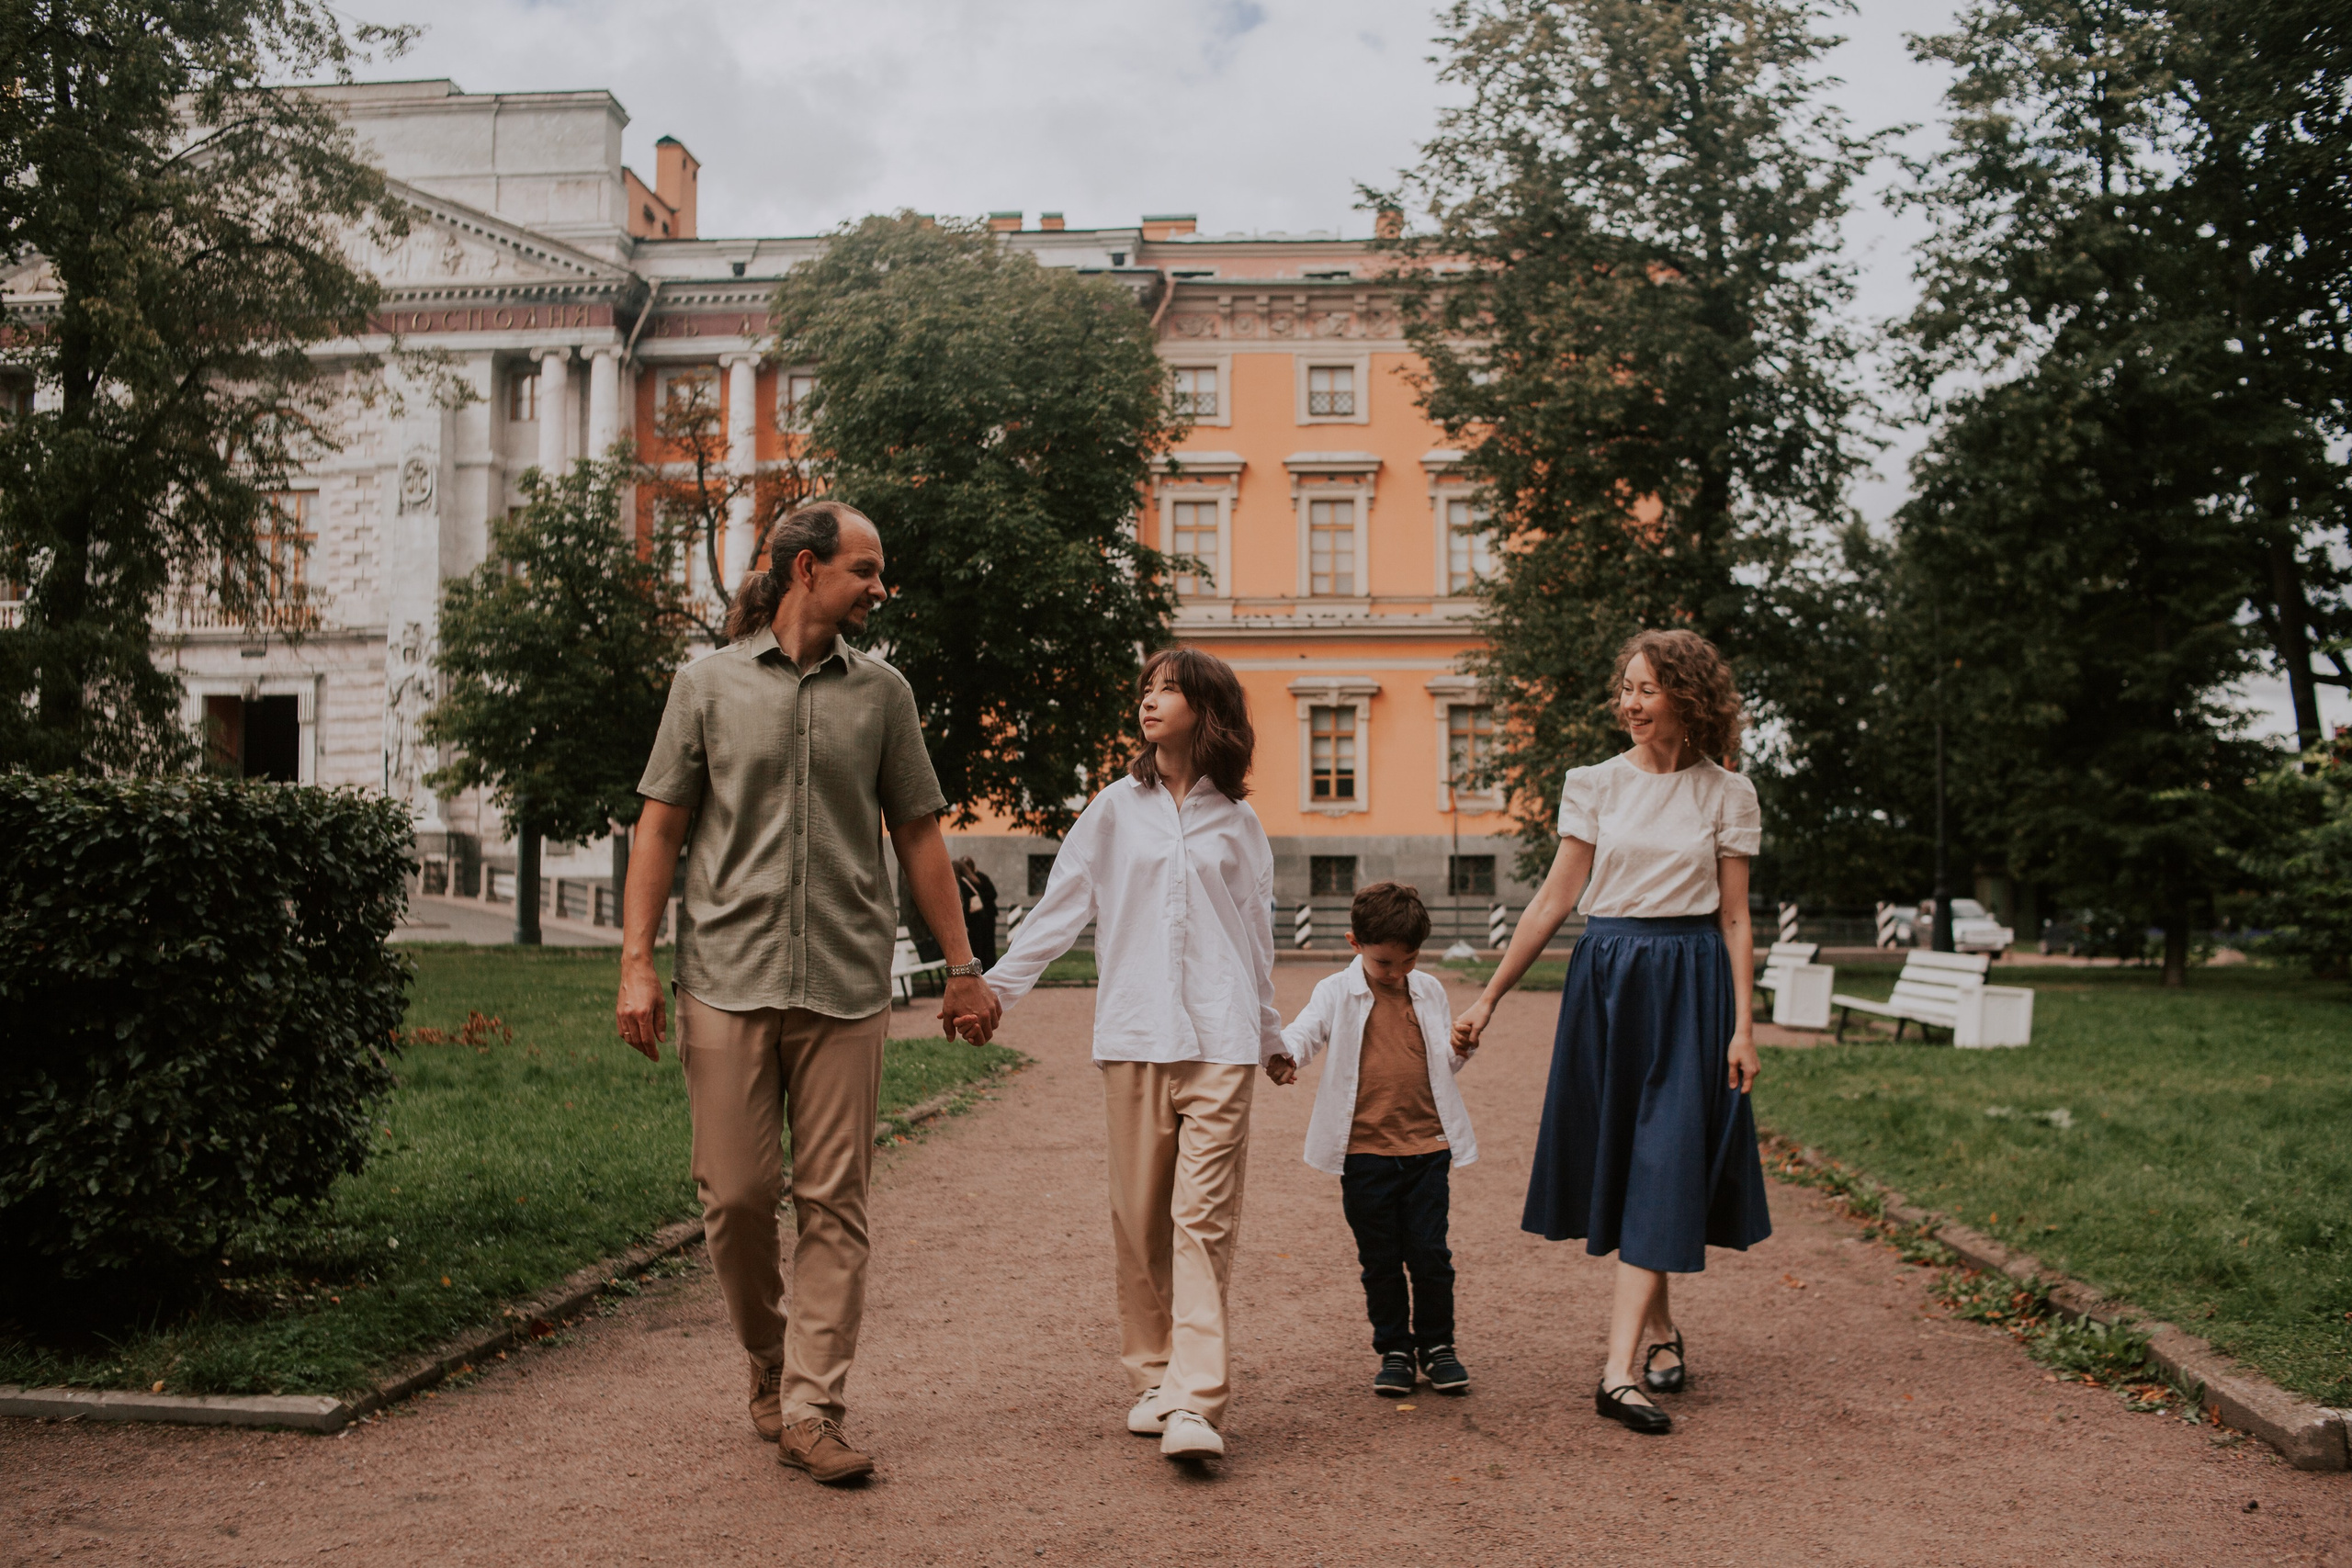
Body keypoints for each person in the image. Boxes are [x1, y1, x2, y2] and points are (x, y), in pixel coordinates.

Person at [615, 500, 1001, 1485]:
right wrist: (635, 961)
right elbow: (660, 827)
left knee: (835, 1200)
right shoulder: (704, 685)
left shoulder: (884, 694)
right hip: (726, 975)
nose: (881, 588)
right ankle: (769, 1354)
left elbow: (918, 834)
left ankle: (812, 1407)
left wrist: (962, 967)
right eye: (865, 569)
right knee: (737, 1195)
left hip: (843, 978)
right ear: (805, 569)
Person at [1452, 628, 1771, 1437]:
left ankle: (1617, 1373)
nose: (1629, 702)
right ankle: (1660, 1329)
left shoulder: (1728, 793)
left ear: (1686, 697)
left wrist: (1744, 1025)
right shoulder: (1593, 783)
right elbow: (1554, 899)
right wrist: (1489, 998)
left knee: (1666, 1160)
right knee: (1635, 1160)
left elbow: (1736, 916)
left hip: (1691, 983)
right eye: (1625, 687)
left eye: (1646, 689)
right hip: (1609, 982)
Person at [972, 647, 1279, 1462]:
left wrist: (1270, 1032)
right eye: (1146, 688)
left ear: (1207, 708)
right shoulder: (1113, 808)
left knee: (1201, 1221)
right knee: (1140, 1219)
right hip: (1137, 1033)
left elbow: (1256, 936)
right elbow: (1060, 907)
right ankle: (1154, 1377)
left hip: (1220, 1039)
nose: (1150, 700)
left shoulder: (1238, 822)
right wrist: (996, 990)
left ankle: (1197, 1399)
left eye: (1168, 689)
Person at [1267, 881, 1479, 1399]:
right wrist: (1285, 1055)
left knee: (1430, 1255)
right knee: (1380, 1259)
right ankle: (1395, 1351)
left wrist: (1461, 1046)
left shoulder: (1429, 990)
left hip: (1427, 1148)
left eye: (1409, 960)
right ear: (1355, 943)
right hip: (1364, 1155)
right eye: (1385, 961)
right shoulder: (1335, 991)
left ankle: (1438, 1346)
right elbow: (1306, 1032)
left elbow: (1442, 1066)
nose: (1397, 971)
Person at [955, 854, 999, 970]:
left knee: (978, 946)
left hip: (976, 918)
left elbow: (967, 903)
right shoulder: (981, 877)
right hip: (988, 916)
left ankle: (982, 969)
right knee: (989, 945)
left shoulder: (964, 881)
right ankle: (991, 968)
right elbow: (993, 894)